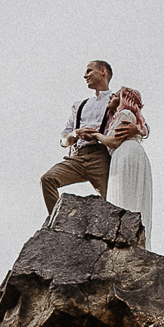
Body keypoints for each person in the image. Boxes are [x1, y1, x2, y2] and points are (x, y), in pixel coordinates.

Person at [40, 60, 118, 214]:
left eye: (89, 71)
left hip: (101, 157)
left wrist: (136, 129)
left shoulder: (116, 100)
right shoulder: (80, 105)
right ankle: (56, 222)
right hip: (77, 157)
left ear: (103, 71)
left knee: (113, 200)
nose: (85, 75)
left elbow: (138, 121)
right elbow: (63, 139)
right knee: (47, 179)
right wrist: (76, 133)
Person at [102, 87, 154, 249]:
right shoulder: (127, 116)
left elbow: (114, 141)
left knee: (124, 194)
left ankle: (123, 236)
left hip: (126, 153)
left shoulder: (125, 113)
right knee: (131, 196)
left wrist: (96, 136)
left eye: (116, 95)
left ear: (124, 99)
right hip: (129, 153)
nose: (111, 96)